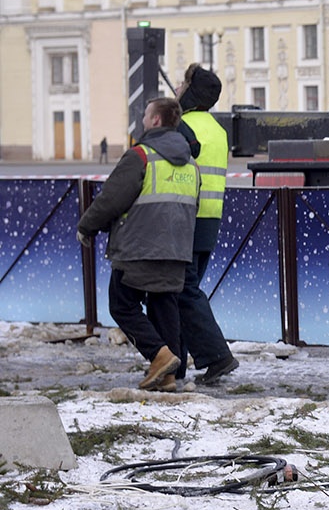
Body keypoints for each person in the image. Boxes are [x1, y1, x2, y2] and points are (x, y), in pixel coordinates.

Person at [77, 97, 200, 392]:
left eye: (146, 115)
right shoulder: (191, 164)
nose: (143, 120)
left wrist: (87, 226)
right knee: (164, 304)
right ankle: (168, 377)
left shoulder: (140, 155)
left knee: (122, 304)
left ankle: (159, 355)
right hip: (177, 249)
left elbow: (111, 199)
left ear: (156, 120)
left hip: (138, 248)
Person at [173, 63, 239, 385]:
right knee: (185, 291)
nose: (177, 86)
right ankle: (178, 365)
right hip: (210, 219)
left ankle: (217, 356)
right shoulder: (218, 130)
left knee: (182, 291)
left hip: (186, 219)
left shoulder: (183, 126)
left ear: (191, 90)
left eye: (182, 83)